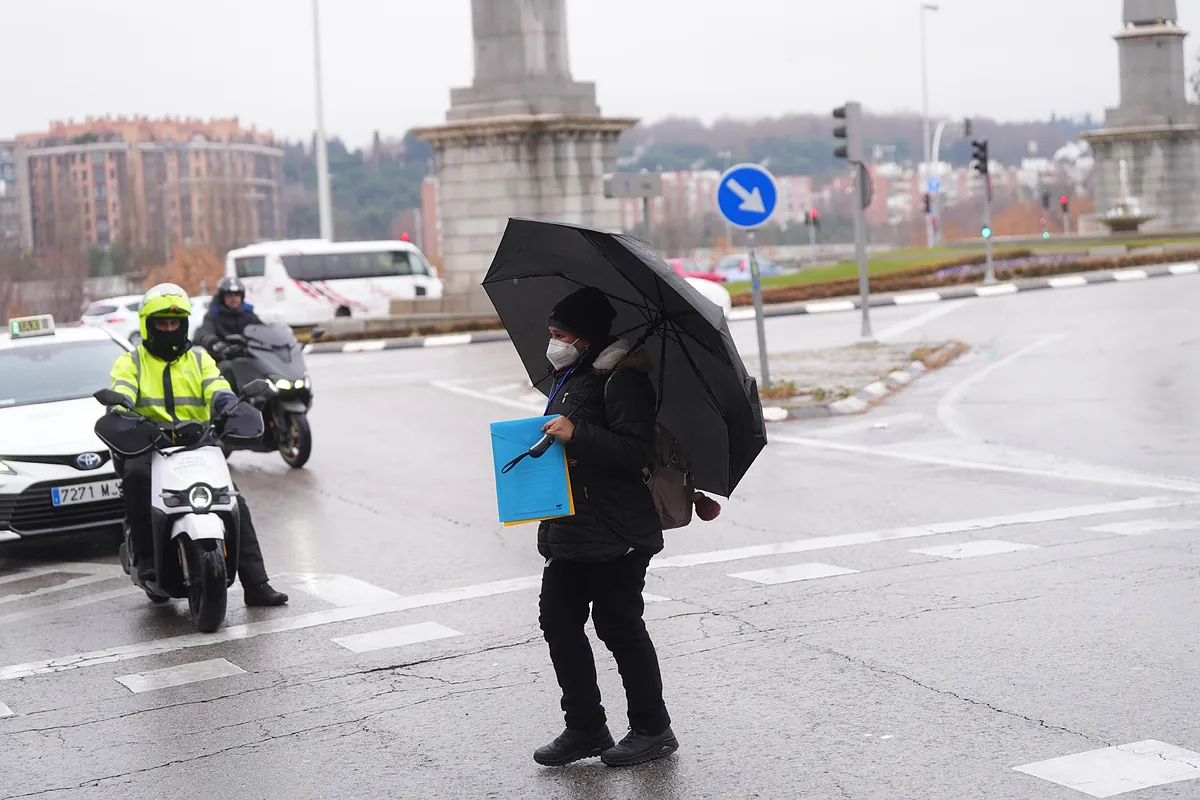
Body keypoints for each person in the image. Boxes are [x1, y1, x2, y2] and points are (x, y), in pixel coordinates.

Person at [532, 286, 679, 768]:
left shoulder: (624, 380)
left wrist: (578, 434)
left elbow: (635, 452)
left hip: (617, 529)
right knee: (557, 620)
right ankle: (586, 727)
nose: (553, 343)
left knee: (618, 625)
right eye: (551, 333)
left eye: (562, 335)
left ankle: (653, 729)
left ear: (588, 337)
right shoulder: (568, 378)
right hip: (572, 525)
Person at [108, 283, 288, 607]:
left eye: (174, 323)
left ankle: (256, 583)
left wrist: (230, 405)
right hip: (152, 445)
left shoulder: (199, 358)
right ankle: (148, 560)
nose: (169, 328)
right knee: (135, 476)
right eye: (162, 323)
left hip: (198, 443)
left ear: (184, 324)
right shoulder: (131, 362)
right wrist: (119, 409)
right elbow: (121, 392)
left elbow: (217, 386)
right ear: (149, 324)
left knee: (234, 501)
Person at [194, 276, 262, 389]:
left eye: (237, 295)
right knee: (228, 368)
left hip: (248, 356)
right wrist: (214, 343)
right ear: (222, 297)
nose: (234, 298)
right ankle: (232, 402)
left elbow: (263, 330)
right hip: (223, 358)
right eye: (229, 295)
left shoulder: (249, 315)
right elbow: (204, 332)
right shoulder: (213, 315)